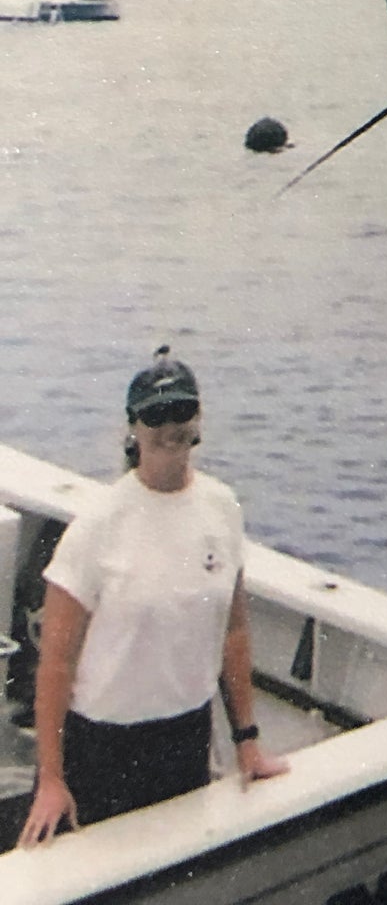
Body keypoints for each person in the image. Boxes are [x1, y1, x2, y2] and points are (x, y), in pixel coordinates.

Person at [19, 350, 288, 844]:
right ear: (133, 428)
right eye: (156, 415)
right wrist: (53, 780)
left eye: (181, 411)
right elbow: (55, 663)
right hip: (98, 747)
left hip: (184, 739)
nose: (170, 427)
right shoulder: (98, 526)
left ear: (198, 419)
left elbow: (233, 632)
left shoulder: (222, 507)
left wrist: (247, 742)